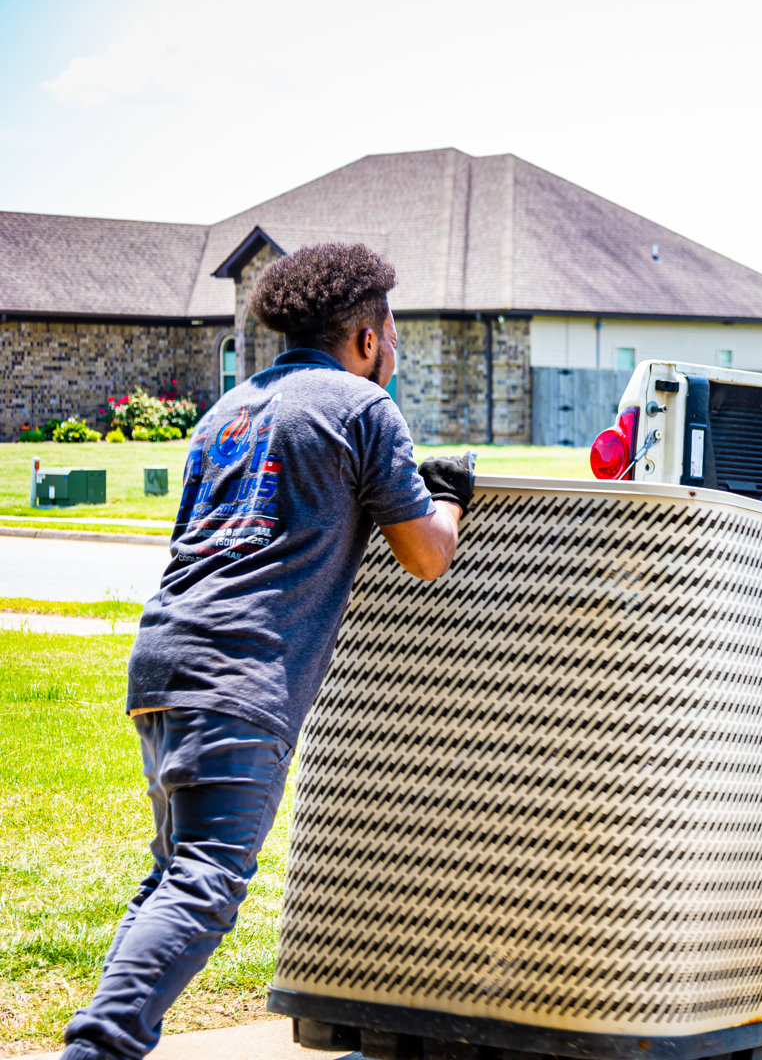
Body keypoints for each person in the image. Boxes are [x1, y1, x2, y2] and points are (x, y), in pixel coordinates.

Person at [60, 243, 476, 1060]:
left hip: (164, 661)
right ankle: (96, 1052)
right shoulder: (362, 407)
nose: (394, 355)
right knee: (207, 881)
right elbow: (426, 555)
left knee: (175, 874)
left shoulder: (229, 408)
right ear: (365, 338)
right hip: (239, 674)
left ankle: (100, 1043)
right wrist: (449, 494)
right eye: (392, 337)